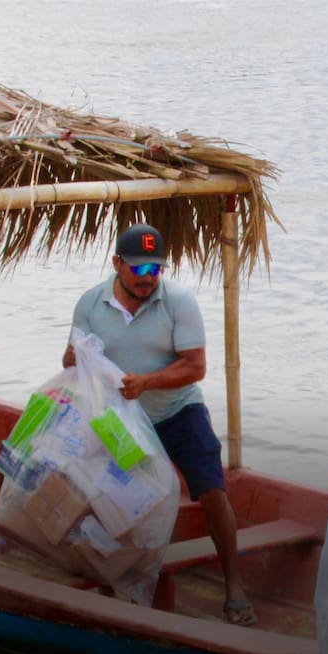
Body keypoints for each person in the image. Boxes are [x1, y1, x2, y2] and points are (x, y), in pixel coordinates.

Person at [62, 223, 256, 626]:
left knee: (213, 490)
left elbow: (195, 367)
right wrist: (79, 361)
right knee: (105, 494)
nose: (149, 279)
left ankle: (234, 586)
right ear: (117, 264)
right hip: (119, 420)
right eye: (139, 269)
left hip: (177, 411)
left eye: (156, 269)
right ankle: (111, 579)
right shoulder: (89, 304)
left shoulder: (178, 301)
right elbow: (71, 361)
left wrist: (146, 383)